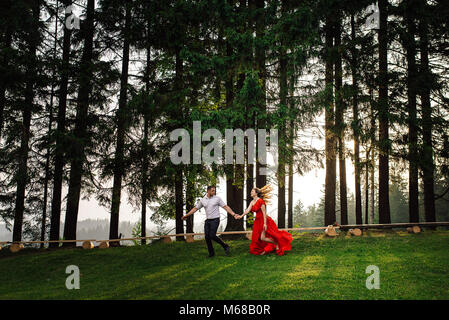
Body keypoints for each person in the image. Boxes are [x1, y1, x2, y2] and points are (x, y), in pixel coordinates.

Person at [235, 185, 293, 256]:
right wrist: (241, 216)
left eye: (252, 191)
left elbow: (264, 213)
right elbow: (247, 210)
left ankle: (276, 243)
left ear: (256, 193)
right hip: (257, 220)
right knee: (259, 237)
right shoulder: (252, 202)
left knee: (263, 237)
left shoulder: (260, 201)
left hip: (263, 219)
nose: (251, 192)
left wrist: (265, 223)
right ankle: (267, 248)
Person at [182, 186, 237, 258]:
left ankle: (225, 246)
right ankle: (211, 254)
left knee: (212, 235)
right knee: (207, 237)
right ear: (208, 191)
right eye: (212, 191)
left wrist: (233, 214)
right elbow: (195, 208)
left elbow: (225, 207)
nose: (214, 192)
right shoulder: (203, 200)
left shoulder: (217, 199)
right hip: (208, 221)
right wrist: (187, 215)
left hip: (215, 219)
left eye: (214, 191)